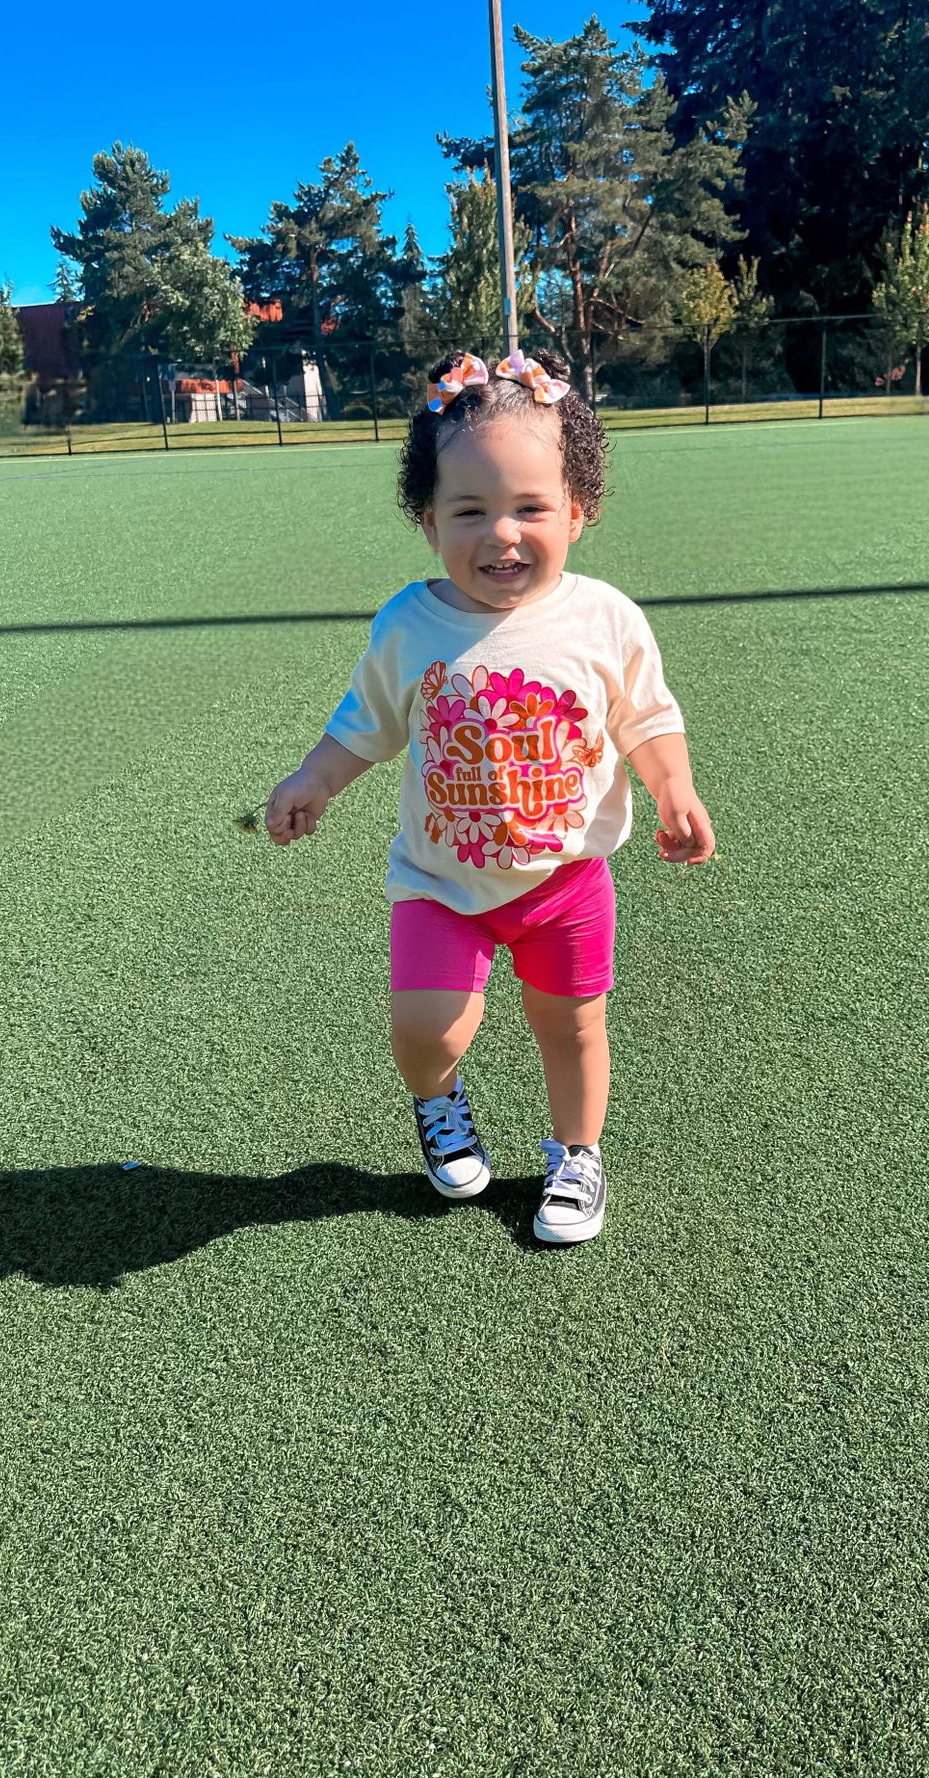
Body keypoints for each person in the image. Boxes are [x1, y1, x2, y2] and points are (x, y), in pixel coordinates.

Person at [263, 347, 715, 1244]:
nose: (500, 534)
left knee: (571, 1026)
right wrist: (313, 778)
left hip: (567, 880)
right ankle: (438, 1102)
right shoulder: (409, 621)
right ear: (427, 521)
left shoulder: (604, 619)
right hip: (440, 883)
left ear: (577, 513)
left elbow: (646, 718)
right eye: (469, 510)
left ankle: (576, 1153)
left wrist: (673, 786)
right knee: (426, 1027)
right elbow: (365, 722)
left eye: (529, 508)